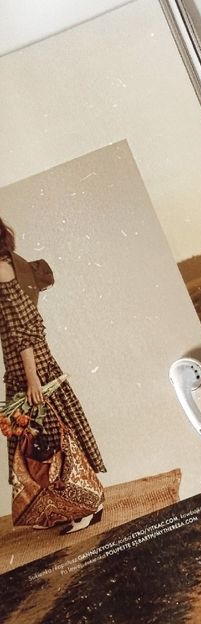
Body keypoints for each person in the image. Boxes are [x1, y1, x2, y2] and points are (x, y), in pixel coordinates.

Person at [0, 215, 106, 533]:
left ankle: (88, 505)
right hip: (27, 368)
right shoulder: (8, 263)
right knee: (41, 443)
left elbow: (24, 327)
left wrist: (32, 378)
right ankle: (62, 507)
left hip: (30, 369)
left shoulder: (1, 269)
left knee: (56, 440)